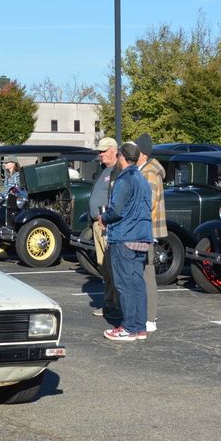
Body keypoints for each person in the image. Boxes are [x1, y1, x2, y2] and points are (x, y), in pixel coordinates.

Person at [99, 141, 152, 341]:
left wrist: (104, 218)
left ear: (121, 157)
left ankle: (129, 327)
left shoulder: (125, 180)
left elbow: (116, 210)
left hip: (125, 237)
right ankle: (139, 327)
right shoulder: (143, 179)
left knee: (125, 284)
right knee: (137, 283)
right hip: (142, 236)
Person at [135, 133, 167, 333]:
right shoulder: (144, 170)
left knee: (147, 273)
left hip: (146, 230)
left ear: (143, 154)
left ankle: (149, 318)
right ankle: (144, 315)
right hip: (143, 229)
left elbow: (150, 203)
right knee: (142, 272)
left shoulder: (149, 173)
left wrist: (140, 227)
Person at [89, 137, 121, 319]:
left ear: (113, 150)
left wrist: (107, 219)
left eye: (103, 151)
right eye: (99, 151)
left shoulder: (118, 171)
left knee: (112, 266)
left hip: (108, 225)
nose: (100, 154)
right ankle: (109, 303)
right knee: (104, 267)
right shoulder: (104, 170)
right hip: (97, 225)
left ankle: (117, 305)